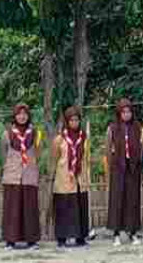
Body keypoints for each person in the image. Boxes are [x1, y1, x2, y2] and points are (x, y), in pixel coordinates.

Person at [1, 104, 41, 250]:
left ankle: (32, 240)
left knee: (29, 209)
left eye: (25, 114)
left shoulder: (35, 133)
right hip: (12, 175)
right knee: (12, 209)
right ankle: (10, 241)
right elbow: (4, 153)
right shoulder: (7, 133)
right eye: (19, 114)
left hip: (29, 175)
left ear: (28, 115)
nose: (22, 116)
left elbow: (38, 152)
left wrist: (32, 165)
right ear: (15, 116)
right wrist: (12, 165)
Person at [106, 98, 143, 246]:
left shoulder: (138, 127)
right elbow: (108, 149)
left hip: (133, 168)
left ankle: (133, 232)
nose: (127, 114)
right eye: (124, 112)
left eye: (129, 111)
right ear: (119, 113)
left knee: (132, 200)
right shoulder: (112, 128)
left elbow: (142, 147)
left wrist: (137, 157)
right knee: (117, 200)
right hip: (118, 168)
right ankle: (116, 233)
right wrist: (112, 165)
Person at [52, 106, 90, 250]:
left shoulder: (84, 138)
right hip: (64, 179)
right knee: (64, 208)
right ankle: (62, 238)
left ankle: (80, 238)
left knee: (80, 207)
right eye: (71, 120)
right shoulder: (59, 139)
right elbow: (55, 158)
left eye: (77, 120)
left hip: (80, 178)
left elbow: (87, 157)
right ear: (67, 122)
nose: (74, 122)